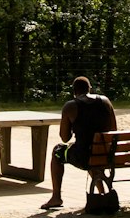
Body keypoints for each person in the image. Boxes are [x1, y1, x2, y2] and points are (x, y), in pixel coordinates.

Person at [40, 76, 116, 211]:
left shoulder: (70, 106)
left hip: (83, 156)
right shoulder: (105, 101)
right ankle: (102, 192)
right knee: (94, 153)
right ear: (90, 88)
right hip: (106, 154)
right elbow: (114, 130)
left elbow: (65, 138)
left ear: (74, 91)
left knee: (57, 151)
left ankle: (56, 197)